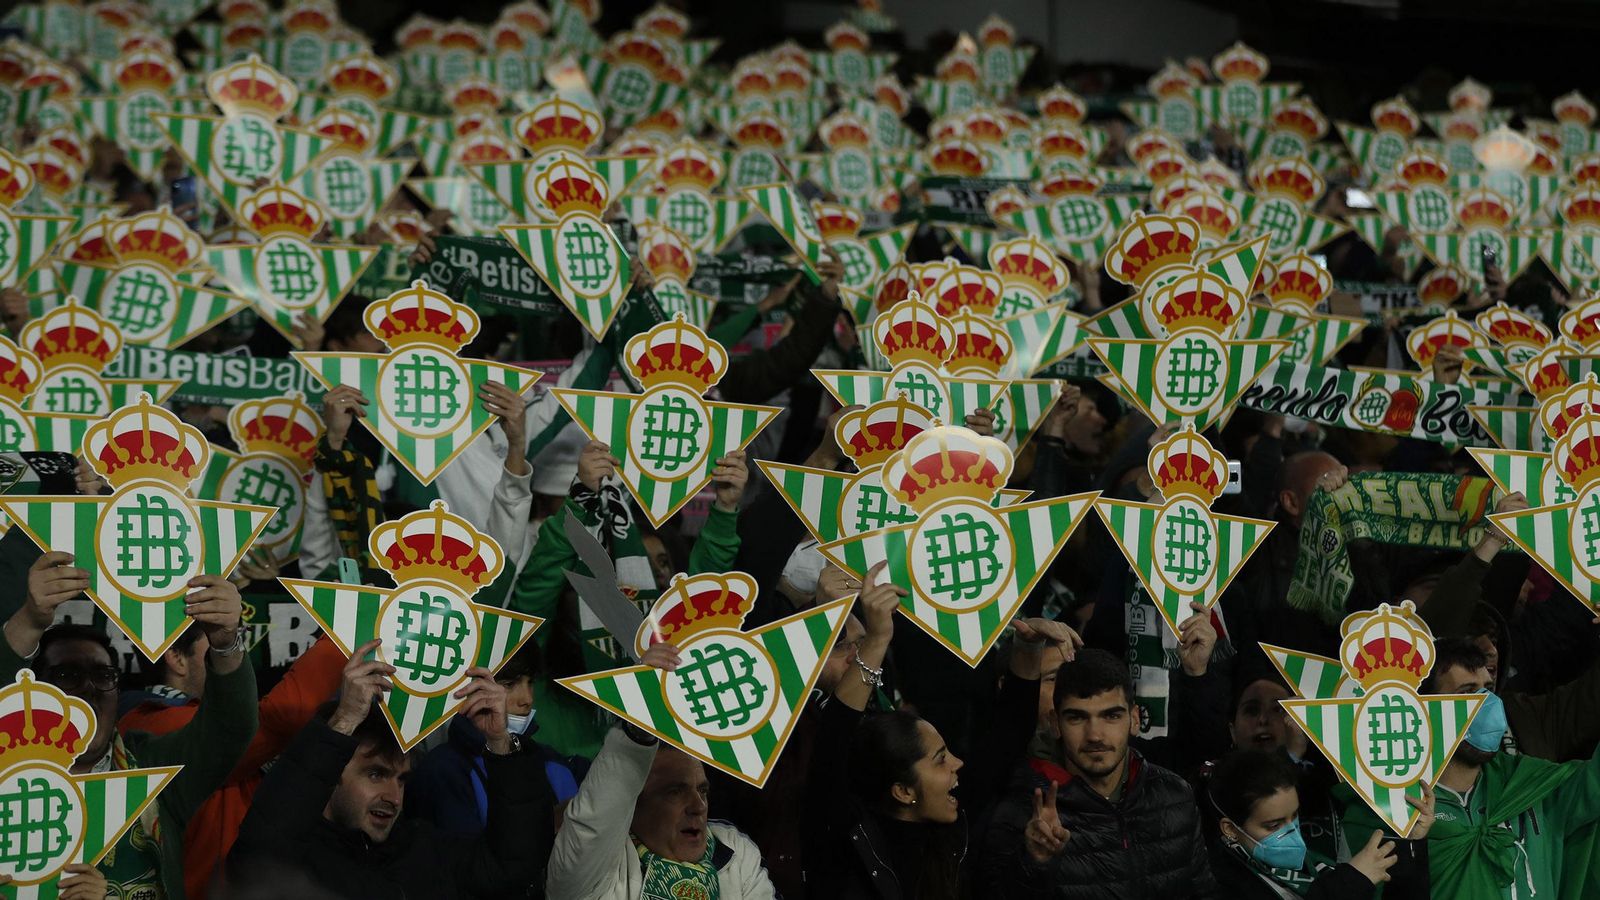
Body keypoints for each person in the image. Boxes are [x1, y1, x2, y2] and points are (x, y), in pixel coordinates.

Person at [801, 563, 1073, 899]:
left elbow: (1006, 739)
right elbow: (833, 742)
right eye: (940, 758)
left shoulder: (953, 824)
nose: (958, 763)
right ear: (903, 790)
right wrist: (876, 640)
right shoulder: (841, 838)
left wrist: (1028, 648)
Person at [0, 552, 259, 900]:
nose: (89, 687)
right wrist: (31, 620)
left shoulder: (153, 767)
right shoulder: (7, 777)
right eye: (68, 675)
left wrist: (226, 642)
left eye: (103, 675)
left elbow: (231, 729)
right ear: (37, 691)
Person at [228, 639, 556, 899]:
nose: (393, 796)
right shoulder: (293, 863)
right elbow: (257, 855)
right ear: (331, 776)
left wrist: (500, 743)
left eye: (401, 780)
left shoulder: (427, 850)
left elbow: (514, 865)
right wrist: (343, 720)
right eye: (375, 774)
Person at [1341, 637, 1600, 899]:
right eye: (1466, 693)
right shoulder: (1384, 811)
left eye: (1487, 688)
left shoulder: (1530, 782)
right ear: (1423, 710)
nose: (1486, 703)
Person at [117, 621, 345, 900]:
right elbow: (278, 719)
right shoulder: (152, 725)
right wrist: (345, 631)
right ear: (177, 658)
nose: (239, 650)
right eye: (219, 640)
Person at [982, 648, 1221, 898]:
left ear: (1135, 719)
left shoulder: (1175, 794)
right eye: (1077, 718)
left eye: (1111, 716)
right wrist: (1034, 863)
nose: (1095, 735)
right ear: (1055, 724)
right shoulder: (1024, 810)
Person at [545, 642, 776, 900]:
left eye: (703, 791)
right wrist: (640, 721)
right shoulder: (596, 875)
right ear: (632, 805)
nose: (697, 806)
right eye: (674, 792)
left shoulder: (735, 852)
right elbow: (595, 821)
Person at [406, 640, 584, 835]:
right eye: (509, 684)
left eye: (530, 682)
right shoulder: (442, 772)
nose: (527, 699)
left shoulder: (553, 762)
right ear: (470, 688)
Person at [1208, 748, 1433, 898]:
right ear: (1230, 829)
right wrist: (1351, 882)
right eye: (1274, 825)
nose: (1291, 831)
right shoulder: (1216, 884)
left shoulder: (1317, 866)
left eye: (1294, 816)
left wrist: (1411, 842)